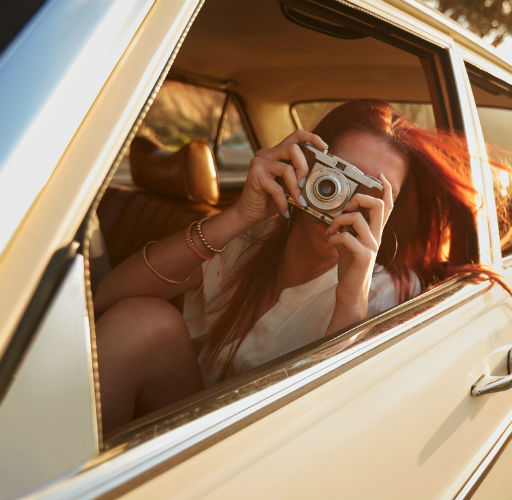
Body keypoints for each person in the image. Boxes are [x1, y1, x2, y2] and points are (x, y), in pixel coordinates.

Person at [94, 100, 488, 432]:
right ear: (305, 163)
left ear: (393, 212)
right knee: (140, 321)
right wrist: (234, 218)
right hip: (188, 422)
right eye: (336, 175)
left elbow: (337, 431)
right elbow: (108, 300)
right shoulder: (251, 237)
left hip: (276, 452)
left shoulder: (391, 293)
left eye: (371, 192)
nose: (343, 200)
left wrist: (351, 295)